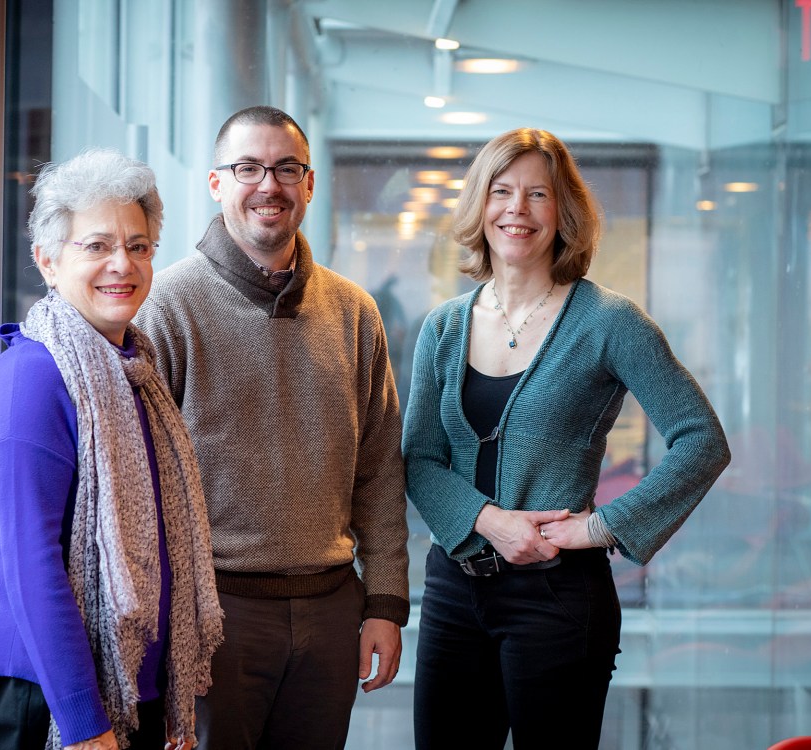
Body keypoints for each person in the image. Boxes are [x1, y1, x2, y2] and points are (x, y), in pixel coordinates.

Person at [402, 128, 731, 749]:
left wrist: (598, 528)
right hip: (453, 591)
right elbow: (419, 459)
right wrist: (491, 521)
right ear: (480, 206)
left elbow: (702, 441)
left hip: (556, 599)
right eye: (501, 192)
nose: (516, 210)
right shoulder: (443, 327)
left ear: (564, 212)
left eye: (537, 195)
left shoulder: (609, 321)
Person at [134, 105, 410, 750]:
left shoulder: (354, 312)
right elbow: (140, 484)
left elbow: (378, 468)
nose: (269, 185)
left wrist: (386, 604)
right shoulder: (167, 305)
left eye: (287, 168)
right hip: (214, 614)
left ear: (309, 185)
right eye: (248, 167)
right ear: (215, 183)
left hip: (333, 610)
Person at [0, 149, 223, 750]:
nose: (122, 264)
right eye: (97, 246)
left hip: (134, 684)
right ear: (48, 261)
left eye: (138, 246)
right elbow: (31, 567)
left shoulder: (134, 368)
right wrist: (86, 723)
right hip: (54, 692)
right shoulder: (33, 380)